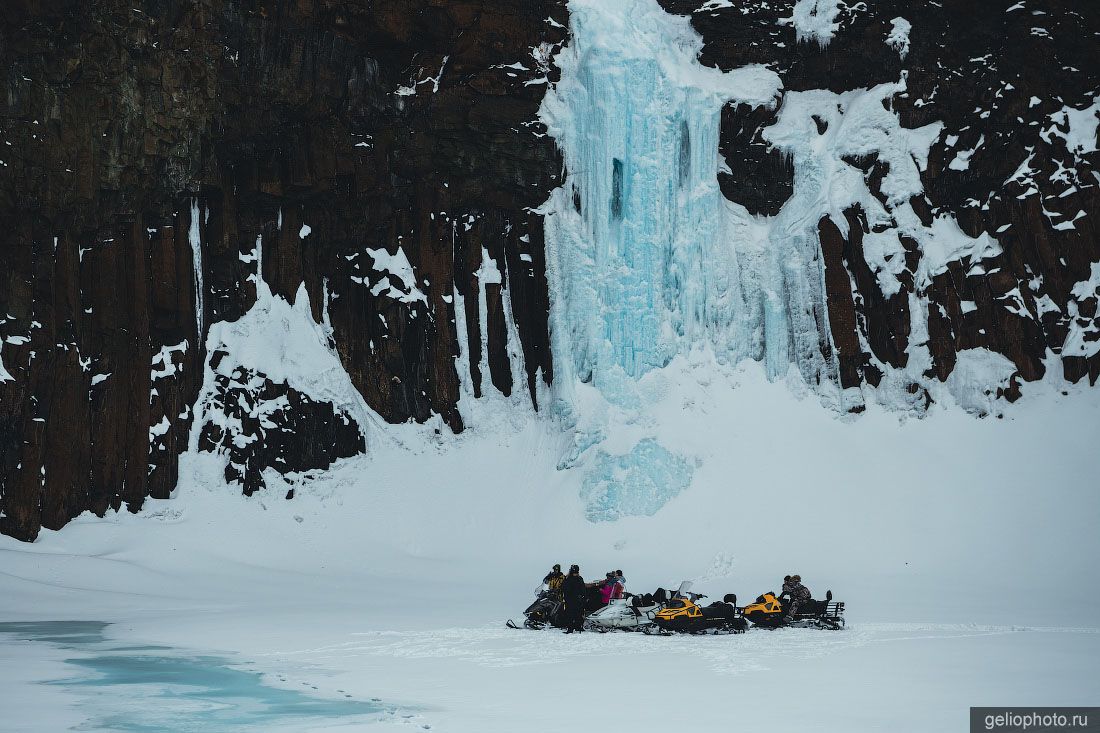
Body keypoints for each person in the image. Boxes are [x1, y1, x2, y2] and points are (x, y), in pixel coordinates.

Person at [561, 565, 587, 633]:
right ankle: (575, 627)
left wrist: (583, 596)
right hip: (573, 599)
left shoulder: (570, 578)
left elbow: (564, 588)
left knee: (574, 613)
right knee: (574, 613)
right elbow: (583, 589)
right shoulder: (575, 578)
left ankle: (574, 627)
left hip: (573, 599)